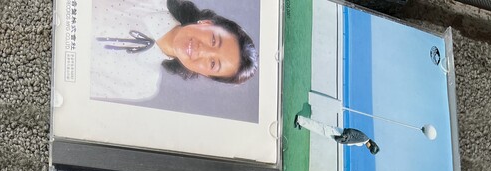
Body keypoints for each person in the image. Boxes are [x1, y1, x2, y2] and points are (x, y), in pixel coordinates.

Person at [90, 0, 258, 103]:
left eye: (213, 63)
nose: (202, 50)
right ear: (206, 23)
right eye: (213, 40)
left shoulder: (139, 86)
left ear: (205, 74)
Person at [294, 114, 380, 155]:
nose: (368, 148)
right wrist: (345, 136)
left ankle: (302, 122)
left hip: (340, 136)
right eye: (370, 147)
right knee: (320, 128)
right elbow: (352, 132)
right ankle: (300, 119)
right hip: (340, 133)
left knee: (319, 129)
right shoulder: (364, 138)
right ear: (372, 144)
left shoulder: (363, 141)